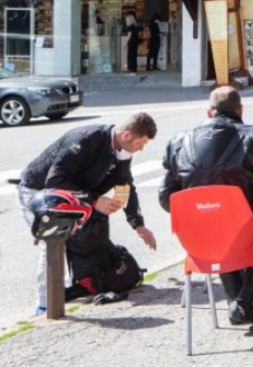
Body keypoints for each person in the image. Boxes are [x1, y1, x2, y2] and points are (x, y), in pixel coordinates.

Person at [159, 86, 253, 326]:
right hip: (243, 232)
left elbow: (165, 195)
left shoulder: (177, 141)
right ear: (240, 109)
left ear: (209, 112)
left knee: (218, 229)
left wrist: (194, 214)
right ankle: (244, 299)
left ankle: (240, 303)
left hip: (198, 239)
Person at [17, 113, 158, 314]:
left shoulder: (122, 151)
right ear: (127, 135)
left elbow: (125, 185)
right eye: (140, 143)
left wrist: (138, 224)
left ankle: (65, 290)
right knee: (54, 241)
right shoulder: (85, 140)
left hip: (73, 194)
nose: (141, 149)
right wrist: (94, 200)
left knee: (72, 238)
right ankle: (45, 306)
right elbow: (55, 180)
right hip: (38, 190)